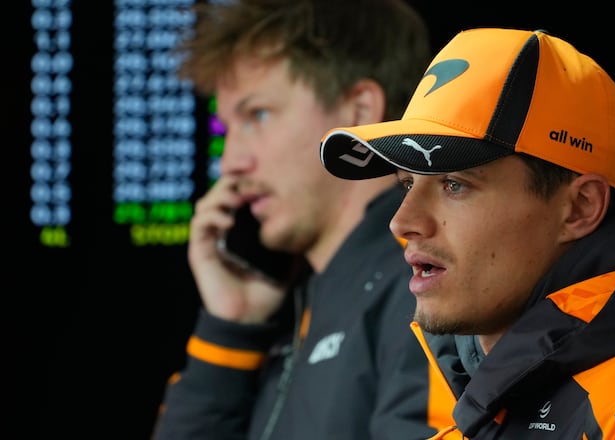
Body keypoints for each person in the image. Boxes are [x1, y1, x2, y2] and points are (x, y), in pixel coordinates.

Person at [319, 27, 615, 439]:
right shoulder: (477, 406)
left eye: (454, 184)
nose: (402, 222)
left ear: (579, 208)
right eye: (407, 184)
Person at [151, 0, 453, 439]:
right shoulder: (304, 301)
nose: (231, 162)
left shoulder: (426, 286)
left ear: (359, 111)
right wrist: (231, 328)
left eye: (257, 115)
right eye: (226, 129)